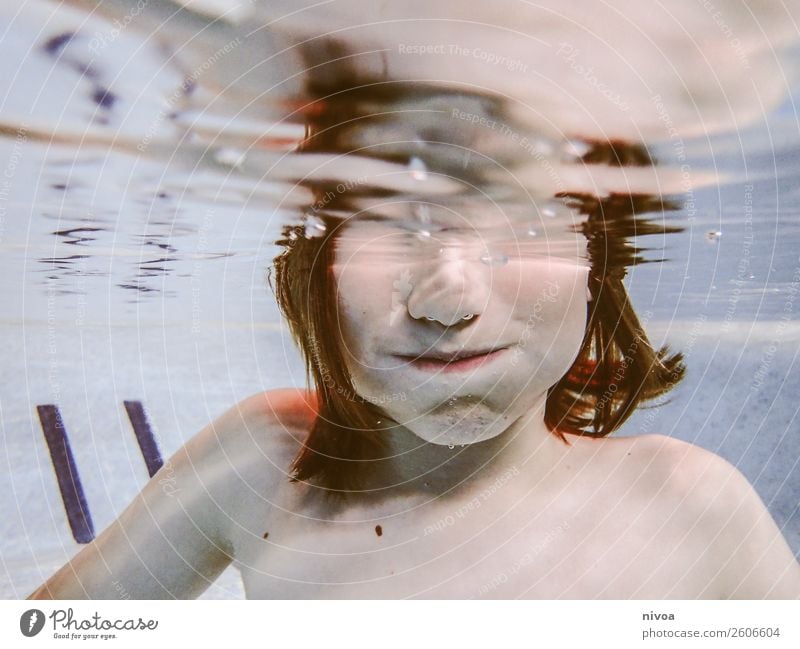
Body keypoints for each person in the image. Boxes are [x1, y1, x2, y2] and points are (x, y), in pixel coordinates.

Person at [28, 82, 800, 600]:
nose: (448, 298)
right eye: (390, 219)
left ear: (599, 257)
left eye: (523, 219)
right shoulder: (263, 466)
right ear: (317, 264)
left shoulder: (692, 509)